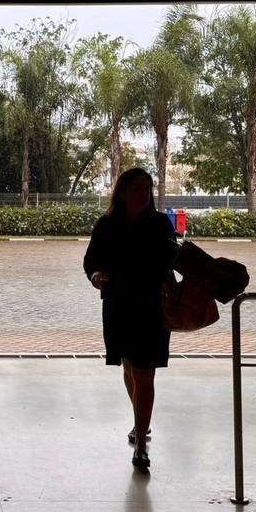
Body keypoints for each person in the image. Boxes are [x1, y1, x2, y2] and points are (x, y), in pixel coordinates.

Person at [83, 168, 176, 471]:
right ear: (122, 192)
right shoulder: (106, 225)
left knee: (145, 373)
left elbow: (171, 261)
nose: (143, 194)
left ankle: (140, 444)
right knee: (128, 367)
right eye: (136, 188)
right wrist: (96, 275)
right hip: (118, 306)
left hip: (152, 307)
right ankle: (141, 421)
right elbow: (91, 260)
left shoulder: (161, 224)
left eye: (147, 189)